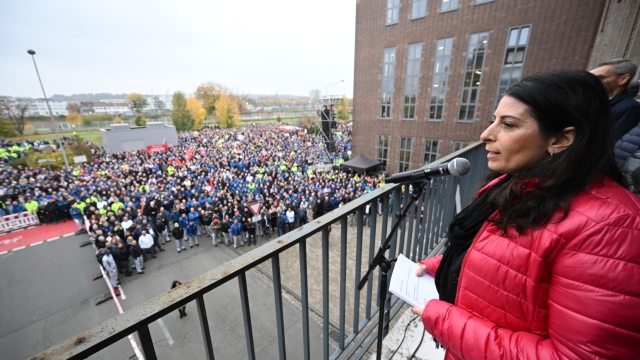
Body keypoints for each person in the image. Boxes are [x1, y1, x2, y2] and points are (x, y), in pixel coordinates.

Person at [411, 70, 640, 359]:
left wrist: (445, 320)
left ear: (561, 139)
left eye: (507, 125)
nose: (486, 134)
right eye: (493, 120)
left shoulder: (611, 228)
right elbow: (518, 268)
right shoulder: (520, 185)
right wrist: (447, 266)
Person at [591, 59, 640, 191]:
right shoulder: (599, 103)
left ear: (623, 79)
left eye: (600, 78)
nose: (594, 82)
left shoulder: (630, 108)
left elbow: (612, 144)